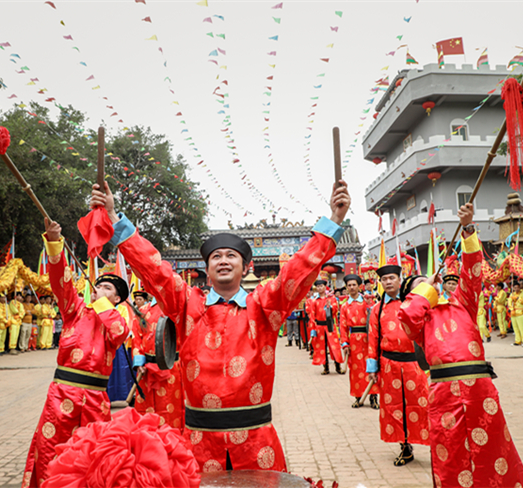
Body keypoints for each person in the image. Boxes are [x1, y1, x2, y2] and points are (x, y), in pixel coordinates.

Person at [95, 179, 351, 473]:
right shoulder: (187, 305)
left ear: (246, 267)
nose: (224, 261)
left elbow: (300, 267)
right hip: (198, 445)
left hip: (257, 444)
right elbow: (155, 269)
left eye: (232, 256)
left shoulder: (265, 306)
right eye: (216, 256)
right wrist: (114, 217)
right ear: (207, 269)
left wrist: (334, 219)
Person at [399, 203, 523, 488]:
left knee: (495, 450)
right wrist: (426, 288)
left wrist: (469, 229)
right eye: (420, 286)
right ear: (415, 294)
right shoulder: (418, 321)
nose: (431, 285)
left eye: (431, 281)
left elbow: (473, 271)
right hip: (444, 391)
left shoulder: (463, 303)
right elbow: (408, 314)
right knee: (451, 454)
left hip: (480, 387)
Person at [22, 218, 130, 488]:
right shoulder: (75, 311)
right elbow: (61, 282)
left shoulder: (115, 318)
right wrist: (55, 241)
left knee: (94, 453)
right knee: (52, 449)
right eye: (99, 286)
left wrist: (103, 304)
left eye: (108, 289)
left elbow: (119, 333)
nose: (99, 290)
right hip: (62, 394)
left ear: (116, 298)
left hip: (96, 398)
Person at [366, 264, 429, 466]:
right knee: (394, 408)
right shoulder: (377, 310)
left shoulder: (413, 304)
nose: (388, 282)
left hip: (413, 363)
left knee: (420, 404)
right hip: (388, 364)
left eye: (392, 278)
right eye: (384, 279)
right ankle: (405, 447)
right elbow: (373, 338)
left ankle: (432, 443)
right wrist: (372, 368)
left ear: (399, 280)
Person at [131, 291, 184, 431]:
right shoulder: (142, 311)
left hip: (173, 368)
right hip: (147, 370)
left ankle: (173, 444)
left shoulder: (181, 309)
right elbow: (137, 339)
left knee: (173, 410)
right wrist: (139, 363)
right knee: (146, 412)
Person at [338, 274, 376, 409]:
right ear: (346, 287)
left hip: (368, 338)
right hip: (353, 340)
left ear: (359, 286)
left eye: (354, 284)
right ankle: (358, 397)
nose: (352, 287)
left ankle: (373, 397)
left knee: (370, 366)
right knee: (355, 369)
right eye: (349, 285)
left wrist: (370, 304)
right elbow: (342, 327)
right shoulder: (344, 306)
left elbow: (373, 319)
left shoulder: (366, 301)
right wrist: (345, 343)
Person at [309, 279, 343, 375]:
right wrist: (313, 329)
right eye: (318, 286)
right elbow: (312, 315)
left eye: (321, 286)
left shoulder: (331, 298)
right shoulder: (314, 301)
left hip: (330, 325)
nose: (320, 288)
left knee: (334, 346)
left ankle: (338, 366)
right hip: (319, 326)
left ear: (325, 287)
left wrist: (331, 307)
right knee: (321, 348)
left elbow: (336, 310)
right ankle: (326, 367)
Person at [508, 282, 523, 346]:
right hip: (514, 312)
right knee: (515, 327)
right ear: (513, 288)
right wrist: (511, 309)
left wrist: (517, 298)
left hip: (520, 312)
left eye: (517, 287)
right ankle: (518, 340)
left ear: (520, 287)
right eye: (515, 287)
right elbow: (509, 302)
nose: (516, 289)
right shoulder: (512, 294)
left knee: (522, 327)